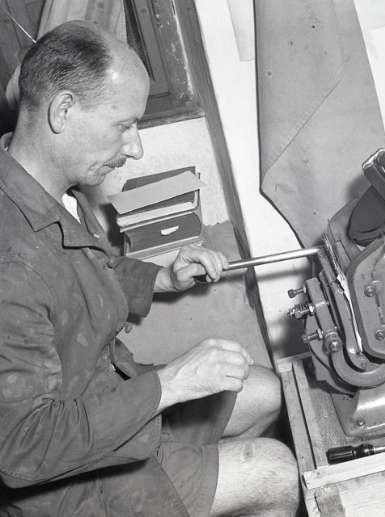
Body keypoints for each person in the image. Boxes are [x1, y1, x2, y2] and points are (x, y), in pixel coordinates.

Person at [0, 20, 299, 517]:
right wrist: (173, 383)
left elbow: (77, 276)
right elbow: (22, 449)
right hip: (69, 486)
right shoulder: (9, 262)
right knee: (276, 472)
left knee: (265, 390)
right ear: (63, 111)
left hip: (110, 396)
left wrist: (162, 277)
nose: (135, 147)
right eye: (124, 125)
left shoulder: (48, 187)